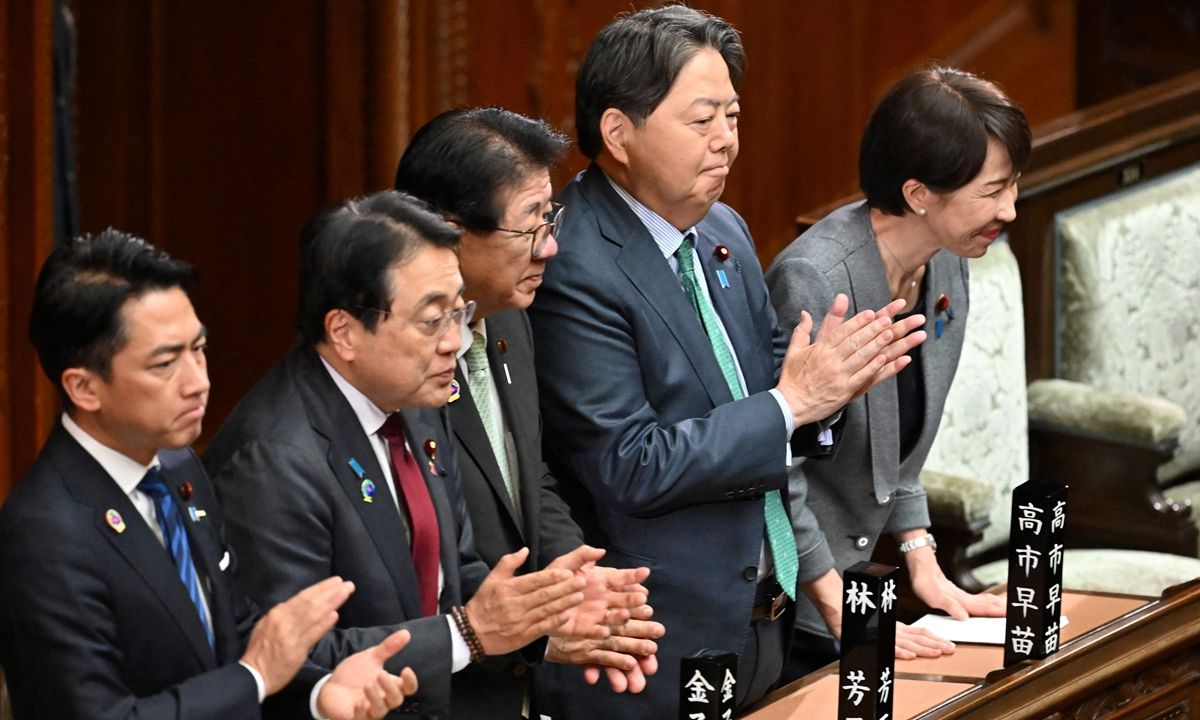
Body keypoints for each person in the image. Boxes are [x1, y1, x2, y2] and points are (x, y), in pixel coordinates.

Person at [526, 7, 927, 718]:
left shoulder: (722, 228)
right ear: (618, 132)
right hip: (650, 647)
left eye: (733, 117)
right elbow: (629, 463)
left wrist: (830, 392)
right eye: (702, 119)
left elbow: (778, 388)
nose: (727, 142)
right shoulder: (575, 263)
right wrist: (792, 405)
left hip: (758, 623)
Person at [204, 190, 648, 718]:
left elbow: (453, 571)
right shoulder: (272, 461)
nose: (455, 343)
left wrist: (539, 621)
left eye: (458, 312)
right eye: (431, 320)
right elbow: (288, 658)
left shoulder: (416, 399)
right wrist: (467, 634)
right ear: (344, 331)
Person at [0, 230, 418, 719]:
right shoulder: (43, 535)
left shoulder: (179, 466)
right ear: (85, 388)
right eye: (165, 363)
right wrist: (255, 676)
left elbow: (234, 636)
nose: (198, 382)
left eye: (198, 350)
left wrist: (320, 693)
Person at [394, 107, 665, 715]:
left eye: (551, 217)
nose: (551, 247)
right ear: (448, 231)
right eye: (529, 226)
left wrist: (570, 581)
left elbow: (527, 472)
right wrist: (539, 620)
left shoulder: (511, 313)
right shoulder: (399, 371)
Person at [764, 66, 1032, 679]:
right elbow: (774, 464)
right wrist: (828, 596)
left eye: (1013, 186)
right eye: (992, 191)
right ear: (918, 194)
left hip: (863, 587)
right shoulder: (816, 280)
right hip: (792, 602)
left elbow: (899, 451)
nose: (1011, 210)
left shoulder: (947, 260)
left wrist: (923, 561)